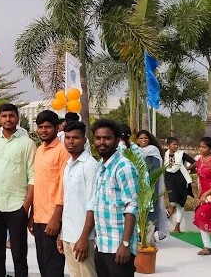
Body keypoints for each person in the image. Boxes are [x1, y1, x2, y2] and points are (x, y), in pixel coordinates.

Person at [0, 103, 35, 277]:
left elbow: (33, 178)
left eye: (11, 116)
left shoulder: (28, 143)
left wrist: (25, 207)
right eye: (4, 116)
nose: (8, 119)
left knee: (19, 255)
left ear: (17, 118)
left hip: (17, 207)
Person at [89, 119, 137, 277]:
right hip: (102, 246)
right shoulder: (100, 167)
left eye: (107, 138)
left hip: (119, 248)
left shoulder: (124, 167)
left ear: (117, 141)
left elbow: (132, 206)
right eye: (98, 138)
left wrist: (125, 244)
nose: (102, 142)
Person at [56, 119, 98, 277]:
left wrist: (84, 239)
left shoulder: (90, 166)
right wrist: (62, 234)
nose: (70, 142)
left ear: (84, 140)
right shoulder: (68, 164)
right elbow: (68, 203)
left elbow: (92, 205)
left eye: (75, 138)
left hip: (83, 237)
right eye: (67, 137)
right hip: (68, 235)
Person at [30, 110, 67, 277]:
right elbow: (37, 184)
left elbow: (64, 186)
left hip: (53, 219)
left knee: (53, 268)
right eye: (40, 127)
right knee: (43, 266)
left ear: (57, 128)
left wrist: (56, 218)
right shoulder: (39, 150)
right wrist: (32, 215)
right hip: (38, 218)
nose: (43, 130)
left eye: (48, 127)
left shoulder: (63, 151)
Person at [135, 130, 169, 242]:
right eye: (140, 138)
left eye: (145, 138)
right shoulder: (135, 151)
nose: (143, 140)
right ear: (137, 140)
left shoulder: (152, 151)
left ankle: (149, 238)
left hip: (150, 187)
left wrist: (150, 186)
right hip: (138, 187)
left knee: (151, 211)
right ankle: (143, 236)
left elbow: (155, 170)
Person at [163, 137, 195, 233]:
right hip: (169, 178)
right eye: (174, 144)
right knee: (173, 199)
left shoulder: (181, 154)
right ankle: (168, 213)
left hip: (180, 178)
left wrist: (187, 168)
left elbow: (195, 163)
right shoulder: (164, 154)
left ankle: (177, 225)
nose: (176, 146)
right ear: (169, 145)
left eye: (177, 144)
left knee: (180, 202)